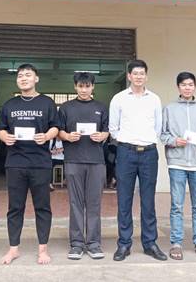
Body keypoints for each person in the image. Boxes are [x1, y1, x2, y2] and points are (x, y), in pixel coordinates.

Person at [0, 64, 60, 265]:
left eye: (28, 75)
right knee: (15, 207)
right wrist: (4, 137)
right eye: (20, 76)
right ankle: (13, 249)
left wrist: (47, 136)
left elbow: (56, 127)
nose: (23, 78)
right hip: (15, 162)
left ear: (36, 78)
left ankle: (43, 250)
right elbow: (1, 129)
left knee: (42, 207)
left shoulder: (47, 103)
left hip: (40, 163)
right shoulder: (10, 104)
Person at [109, 59, 167, 262]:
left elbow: (158, 127)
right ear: (129, 76)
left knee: (148, 200)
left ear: (146, 76)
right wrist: (128, 141)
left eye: (142, 73)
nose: (139, 77)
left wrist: (145, 139)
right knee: (124, 200)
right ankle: (124, 244)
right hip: (126, 152)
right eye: (135, 73)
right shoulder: (119, 98)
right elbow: (113, 128)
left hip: (149, 153)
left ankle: (150, 243)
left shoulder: (155, 99)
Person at [160, 72, 196, 261]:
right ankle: (176, 243)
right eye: (184, 84)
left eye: (190, 84)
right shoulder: (169, 109)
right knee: (177, 205)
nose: (187, 88)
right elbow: (163, 134)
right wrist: (174, 141)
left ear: (195, 86)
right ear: (178, 87)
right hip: (177, 162)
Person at [58, 72, 110, 260]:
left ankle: (94, 244)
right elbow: (58, 131)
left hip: (96, 161)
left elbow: (107, 130)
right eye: (80, 86)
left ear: (92, 87)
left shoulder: (101, 107)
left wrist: (103, 135)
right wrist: (67, 136)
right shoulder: (66, 108)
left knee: (94, 203)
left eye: (87, 86)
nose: (84, 90)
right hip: (73, 160)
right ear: (75, 87)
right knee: (75, 203)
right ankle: (77, 244)